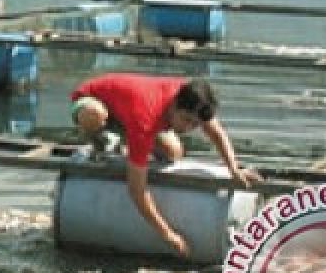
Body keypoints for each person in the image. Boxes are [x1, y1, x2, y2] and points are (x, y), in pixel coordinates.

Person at [70, 73, 261, 258]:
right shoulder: (144, 119)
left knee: (173, 152)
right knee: (94, 115)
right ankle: (101, 138)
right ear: (175, 105)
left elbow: (217, 134)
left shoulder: (195, 98)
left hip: (128, 111)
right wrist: (167, 234)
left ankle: (128, 146)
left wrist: (234, 169)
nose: (188, 129)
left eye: (195, 125)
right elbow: (136, 190)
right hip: (92, 102)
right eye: (186, 120)